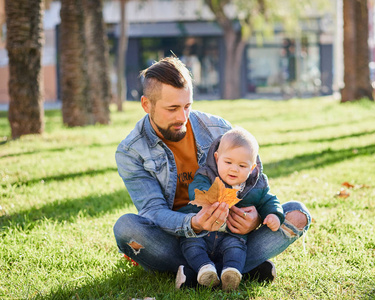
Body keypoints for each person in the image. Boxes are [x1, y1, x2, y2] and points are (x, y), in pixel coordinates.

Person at [113, 56, 312, 289]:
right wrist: (195, 223)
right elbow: (153, 211)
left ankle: (198, 272)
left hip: (232, 232)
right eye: (172, 109)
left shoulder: (219, 129)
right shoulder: (131, 151)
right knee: (126, 228)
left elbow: (254, 181)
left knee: (297, 213)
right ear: (147, 105)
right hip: (178, 238)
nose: (182, 117)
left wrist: (255, 218)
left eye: (187, 106)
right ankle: (239, 267)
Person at [178, 127, 284, 290]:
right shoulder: (207, 175)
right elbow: (195, 191)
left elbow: (269, 200)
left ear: (253, 167)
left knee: (237, 248)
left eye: (242, 166)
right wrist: (209, 196)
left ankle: (231, 272)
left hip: (233, 235)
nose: (234, 169)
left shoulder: (256, 186)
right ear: (217, 157)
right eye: (228, 162)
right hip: (204, 232)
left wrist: (273, 215)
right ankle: (204, 269)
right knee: (190, 243)